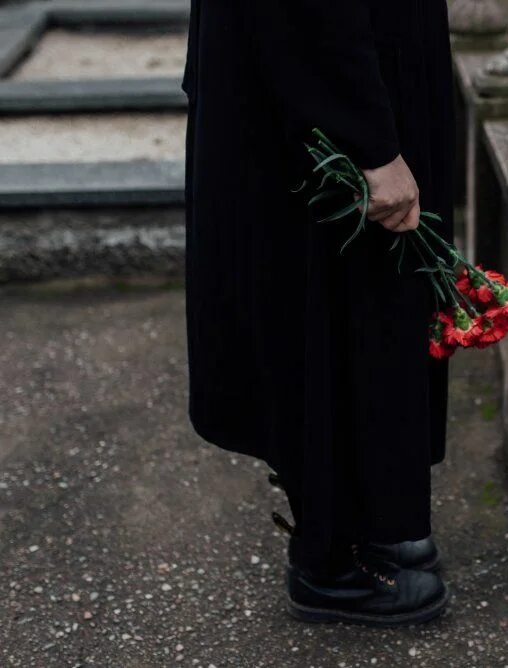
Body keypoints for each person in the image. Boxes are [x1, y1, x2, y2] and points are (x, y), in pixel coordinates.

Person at [181, 0, 454, 626]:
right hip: (317, 96)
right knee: (327, 307)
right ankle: (330, 561)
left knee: (368, 304)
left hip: (356, 66)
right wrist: (369, 142)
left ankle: (372, 515)